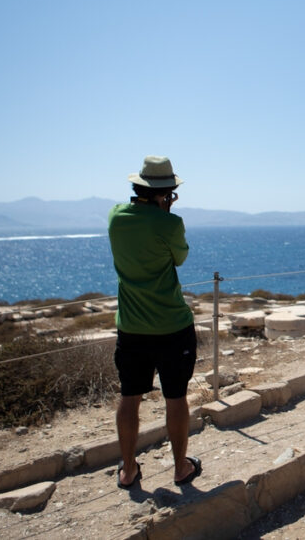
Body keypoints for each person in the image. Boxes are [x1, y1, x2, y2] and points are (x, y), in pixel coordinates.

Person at [108, 155, 201, 489]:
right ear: (167, 193)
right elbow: (180, 258)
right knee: (175, 397)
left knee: (129, 397)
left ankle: (129, 469)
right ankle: (180, 468)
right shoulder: (170, 224)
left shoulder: (116, 217)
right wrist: (166, 214)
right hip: (172, 326)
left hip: (131, 327)